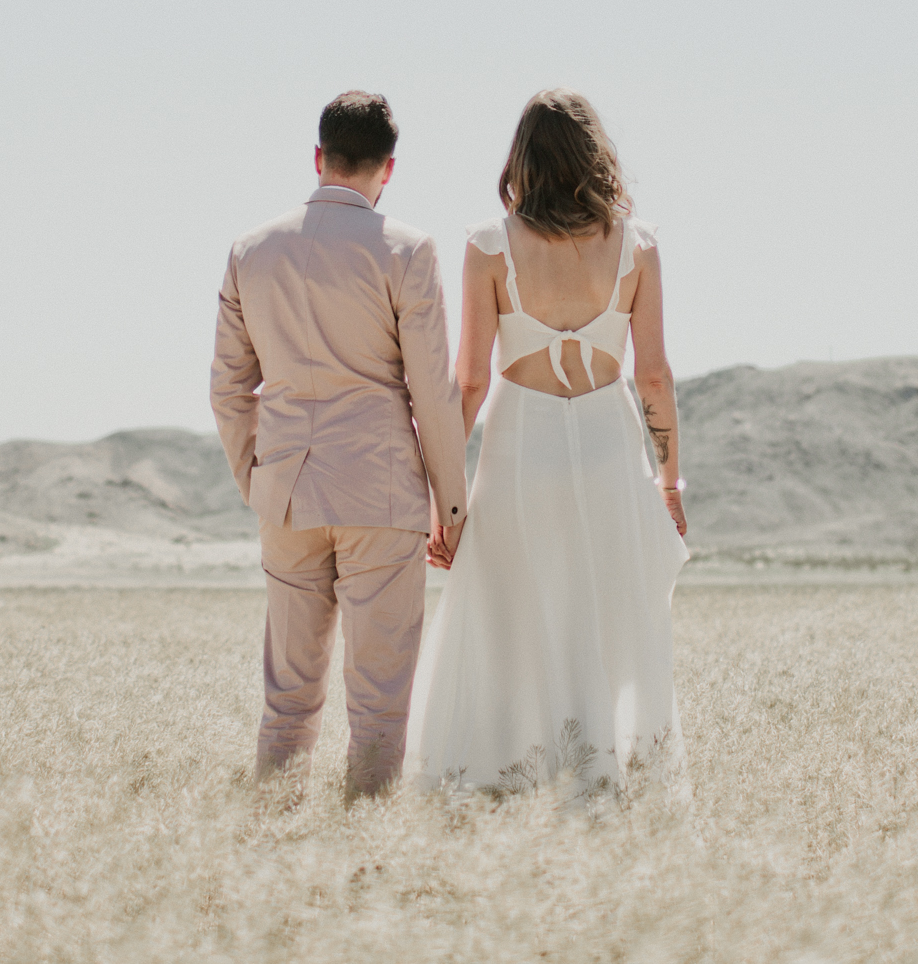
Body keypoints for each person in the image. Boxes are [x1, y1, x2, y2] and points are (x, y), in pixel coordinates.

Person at [405, 89, 688, 801]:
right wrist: (671, 483)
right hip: (608, 445)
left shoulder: (488, 245)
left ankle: (505, 777)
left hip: (520, 445)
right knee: (602, 610)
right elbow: (652, 375)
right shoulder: (639, 246)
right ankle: (601, 777)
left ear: (522, 157)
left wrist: (446, 497)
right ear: (596, 155)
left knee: (512, 610)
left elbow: (467, 382)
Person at [209, 91, 471, 796]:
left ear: (319, 157)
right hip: (380, 494)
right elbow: (432, 392)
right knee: (380, 701)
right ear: (389, 169)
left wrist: (259, 484)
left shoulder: (250, 250)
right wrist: (452, 508)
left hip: (287, 495)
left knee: (287, 698)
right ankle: (367, 858)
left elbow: (229, 392)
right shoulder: (407, 250)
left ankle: (269, 840)